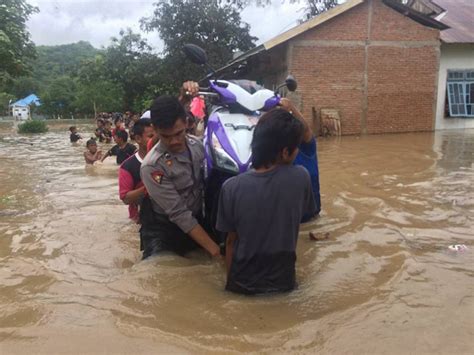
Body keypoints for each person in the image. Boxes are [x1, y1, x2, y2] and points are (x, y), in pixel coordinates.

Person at [216, 108, 316, 295]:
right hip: (284, 283)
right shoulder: (301, 177)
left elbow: (230, 242)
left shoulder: (231, 187)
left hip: (242, 284)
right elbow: (300, 219)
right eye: (296, 148)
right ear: (285, 152)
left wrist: (229, 286)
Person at [140, 94, 221, 260]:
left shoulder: (198, 145)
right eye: (166, 136)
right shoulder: (152, 166)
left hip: (196, 220)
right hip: (164, 230)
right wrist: (215, 251)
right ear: (155, 129)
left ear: (186, 122)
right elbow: (179, 213)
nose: (174, 141)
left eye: (178, 133)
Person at [279, 98, 321, 220]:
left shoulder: (307, 148)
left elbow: (306, 130)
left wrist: (291, 108)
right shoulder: (275, 154)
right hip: (288, 218)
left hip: (310, 215)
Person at [118, 119, 154, 224]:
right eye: (151, 136)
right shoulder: (127, 166)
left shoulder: (166, 158)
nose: (156, 140)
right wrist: (150, 186)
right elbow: (126, 198)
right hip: (140, 221)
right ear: (138, 138)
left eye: (158, 135)